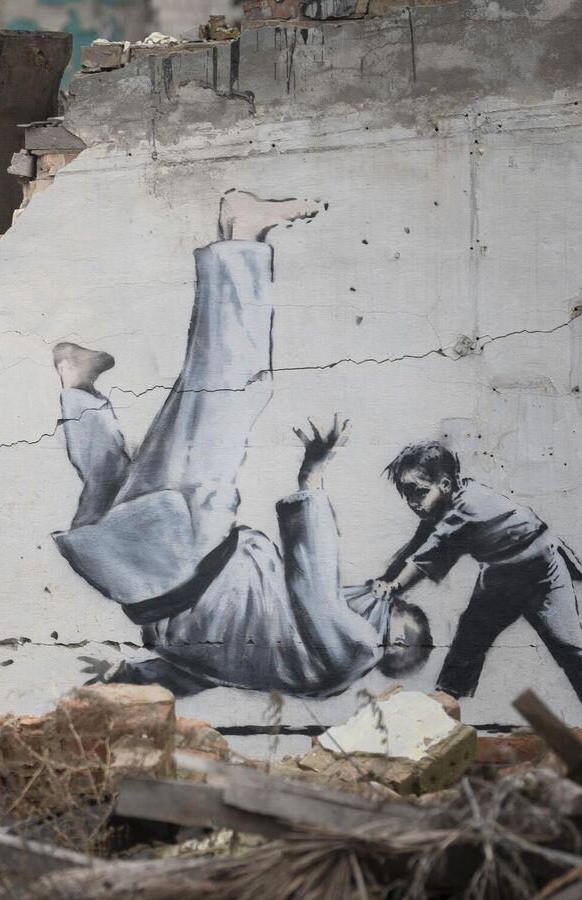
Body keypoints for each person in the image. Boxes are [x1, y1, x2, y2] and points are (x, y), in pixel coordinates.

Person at [52, 190, 432, 697]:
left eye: (393, 608)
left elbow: (312, 585)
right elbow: (196, 672)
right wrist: (126, 678)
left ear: (397, 647)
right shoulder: (304, 674)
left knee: (234, 387)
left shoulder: (358, 649)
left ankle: (244, 235)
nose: (380, 592)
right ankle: (77, 387)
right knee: (115, 482)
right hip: (125, 577)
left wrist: (311, 480)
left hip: (187, 550)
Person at [372, 441, 582, 721]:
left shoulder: (463, 510)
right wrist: (388, 576)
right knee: (468, 642)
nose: (413, 502)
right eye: (406, 493)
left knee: (569, 644)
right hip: (502, 576)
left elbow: (426, 555)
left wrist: (395, 585)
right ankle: (444, 706)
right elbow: (418, 544)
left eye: (419, 492)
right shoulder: (451, 498)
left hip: (542, 571)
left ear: (444, 484)